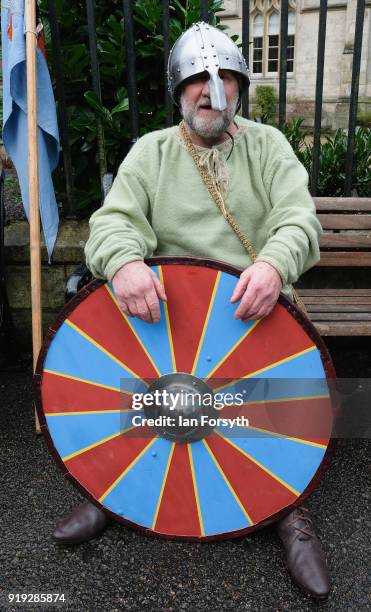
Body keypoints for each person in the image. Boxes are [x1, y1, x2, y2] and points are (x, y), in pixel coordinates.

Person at [53, 22, 330, 600]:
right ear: (179, 91)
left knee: (268, 418)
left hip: (254, 313)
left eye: (224, 78)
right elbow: (112, 223)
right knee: (150, 398)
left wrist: (275, 265)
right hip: (165, 321)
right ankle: (113, 491)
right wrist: (124, 262)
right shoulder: (151, 152)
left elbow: (298, 220)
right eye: (198, 82)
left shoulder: (270, 146)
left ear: (238, 86)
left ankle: (287, 508)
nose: (211, 91)